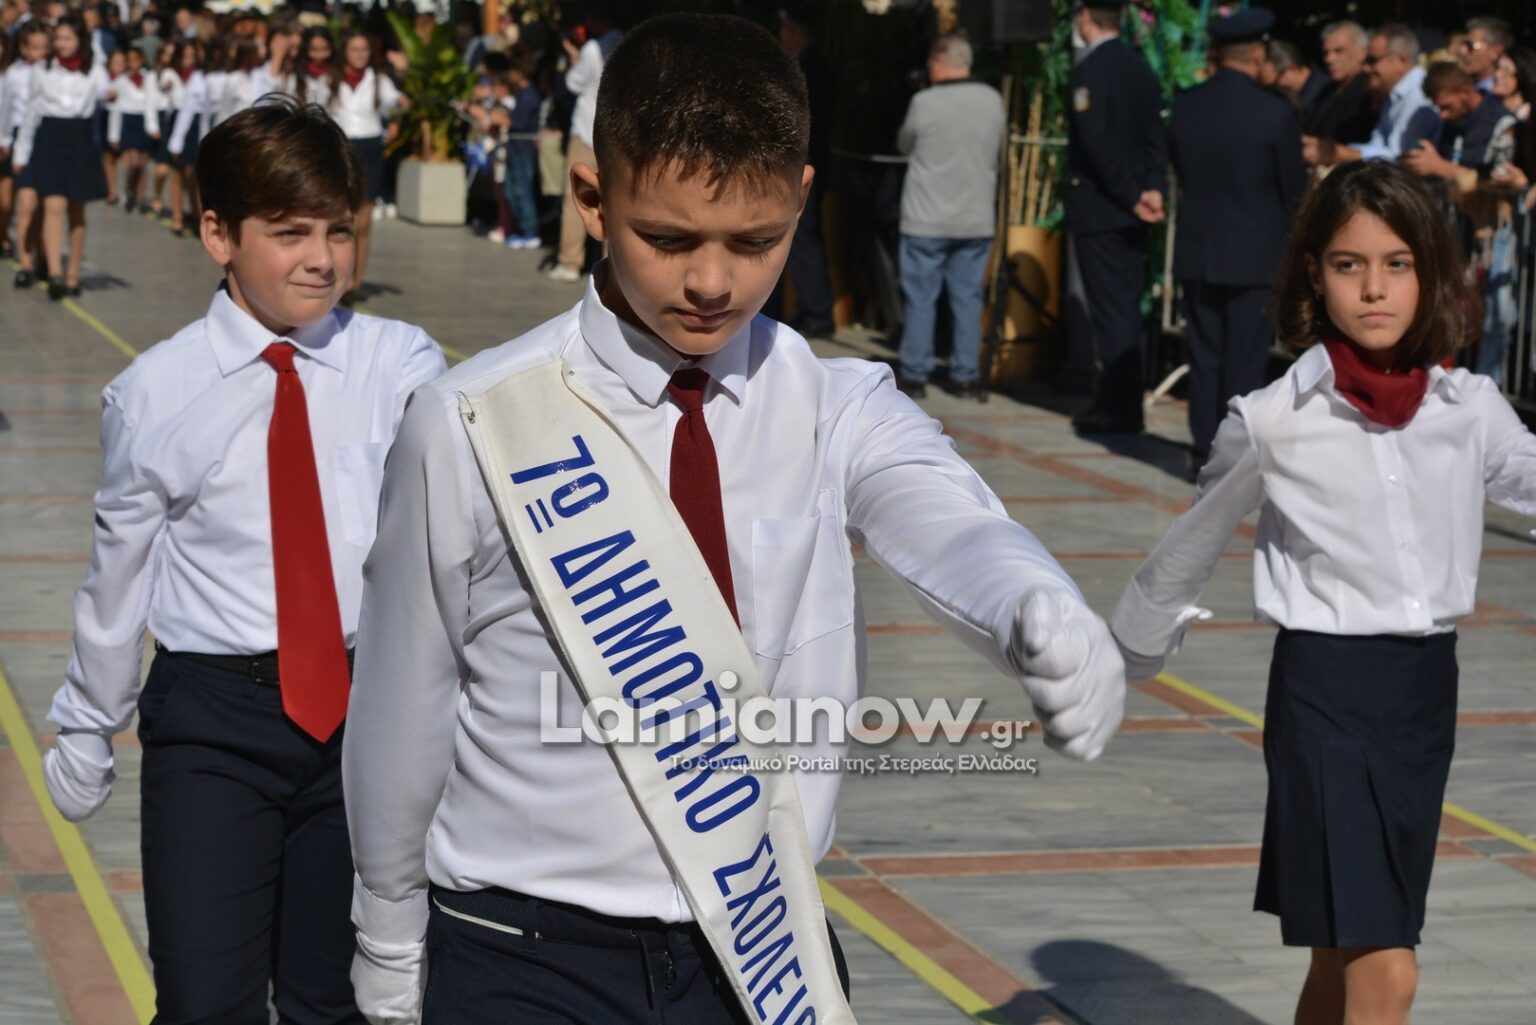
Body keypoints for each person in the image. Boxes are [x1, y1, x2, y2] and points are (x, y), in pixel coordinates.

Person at [345, 13, 1125, 1024]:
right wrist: (387, 938)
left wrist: (1033, 600)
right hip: (524, 947)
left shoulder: (834, 405)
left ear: (801, 197)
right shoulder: (473, 421)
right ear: (592, 197)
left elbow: (945, 514)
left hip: (759, 942)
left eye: (756, 242)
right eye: (668, 239)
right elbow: (404, 700)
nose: (712, 282)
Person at [38, 96, 445, 1025]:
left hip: (362, 720)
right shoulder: (155, 391)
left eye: (339, 229)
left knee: (334, 1000)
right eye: (290, 232)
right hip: (214, 724)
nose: (323, 257)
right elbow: (119, 581)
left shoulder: (397, 364)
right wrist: (89, 723)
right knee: (203, 999)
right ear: (218, 233)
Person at [1111, 159, 1536, 1025]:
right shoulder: (1273, 417)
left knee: (1343, 954)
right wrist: (1121, 653)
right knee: (1389, 967)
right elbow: (1194, 538)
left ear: (1429, 270)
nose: (1374, 289)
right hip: (1325, 697)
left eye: (1397, 264)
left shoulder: (1470, 407)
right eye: (1349, 265)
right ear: (1315, 272)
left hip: (1425, 699)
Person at [1169, 7, 1305, 471]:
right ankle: (1236, 453)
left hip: (1199, 248)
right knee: (1244, 361)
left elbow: (1182, 170)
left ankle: (1202, 449)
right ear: (1258, 54)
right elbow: (1293, 191)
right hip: (1256, 253)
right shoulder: (1276, 112)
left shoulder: (1187, 104)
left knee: (1204, 356)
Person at [1063, 0, 1168, 434]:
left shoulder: (1089, 71)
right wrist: (1152, 189)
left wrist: (1130, 195)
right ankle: (1121, 402)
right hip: (1132, 208)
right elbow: (1156, 135)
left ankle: (1119, 408)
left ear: (1086, 16)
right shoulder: (1141, 69)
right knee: (1124, 306)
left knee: (1111, 312)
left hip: (1104, 208)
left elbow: (1097, 144)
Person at [893, 31, 1004, 399]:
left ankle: (915, 374)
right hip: (975, 217)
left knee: (921, 297)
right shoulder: (993, 100)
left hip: (926, 217)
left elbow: (904, 144)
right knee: (969, 297)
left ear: (939, 63)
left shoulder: (924, 102)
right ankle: (965, 375)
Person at [13, 14, 111, 301]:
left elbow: (106, 90)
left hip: (79, 138)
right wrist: (22, 152)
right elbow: (32, 112)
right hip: (50, 137)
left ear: (80, 40)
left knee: (76, 211)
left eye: (68, 38)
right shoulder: (43, 68)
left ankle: (72, 274)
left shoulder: (94, 69)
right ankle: (55, 273)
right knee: (52, 204)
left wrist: (111, 92)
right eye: (58, 38)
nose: (61, 44)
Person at [766, 0, 835, 340]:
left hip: (799, 166)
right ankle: (799, 309)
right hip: (801, 164)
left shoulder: (809, 69)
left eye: (785, 28)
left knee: (801, 240)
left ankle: (816, 311)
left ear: (795, 31)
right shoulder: (809, 65)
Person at [328, 27, 402, 303]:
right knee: (340, 217)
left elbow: (397, 104)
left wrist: (396, 117)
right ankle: (338, 275)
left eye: (364, 50)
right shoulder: (330, 80)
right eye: (354, 49)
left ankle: (355, 281)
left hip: (370, 147)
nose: (360, 55)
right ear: (345, 52)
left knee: (363, 221)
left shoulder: (379, 80)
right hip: (341, 146)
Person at [550, 0, 620, 283]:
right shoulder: (628, 44)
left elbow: (573, 83)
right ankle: (614, 268)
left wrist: (574, 59)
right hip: (616, 136)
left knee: (576, 199)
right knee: (615, 203)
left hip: (586, 130)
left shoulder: (592, 49)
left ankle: (569, 261)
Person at [1313, 24, 1440, 166]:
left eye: (1373, 60)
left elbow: (1399, 156)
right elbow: (1377, 143)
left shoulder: (1419, 95)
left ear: (1401, 61)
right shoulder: (1393, 94)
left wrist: (1341, 154)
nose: (1366, 68)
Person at [1, 21, 49, 282]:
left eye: (44, 47)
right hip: (21, 136)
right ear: (23, 48)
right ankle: (25, 260)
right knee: (26, 202)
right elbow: (7, 109)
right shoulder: (14, 74)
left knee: (44, 203)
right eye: (35, 47)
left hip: (47, 137)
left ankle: (43, 254)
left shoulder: (52, 71)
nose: (40, 52)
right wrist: (5, 139)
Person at [1304, 21, 1376, 153]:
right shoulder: (1326, 91)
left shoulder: (1370, 91)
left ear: (1362, 52)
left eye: (1339, 51)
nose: (1329, 59)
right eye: (1326, 53)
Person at [107, 44, 160, 213]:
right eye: (130, 60)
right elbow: (116, 109)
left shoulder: (149, 78)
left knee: (143, 163)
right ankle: (128, 189)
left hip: (143, 120)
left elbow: (151, 102)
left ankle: (140, 197)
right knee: (133, 161)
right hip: (128, 120)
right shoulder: (121, 80)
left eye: (136, 59)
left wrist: (153, 126)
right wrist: (114, 135)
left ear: (142, 60)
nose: (133, 63)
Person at [503, 53, 542, 248]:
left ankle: (530, 231)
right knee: (512, 190)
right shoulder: (522, 93)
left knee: (522, 191)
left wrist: (502, 119)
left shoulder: (529, 95)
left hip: (523, 150)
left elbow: (520, 123)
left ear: (520, 72)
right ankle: (522, 230)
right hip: (515, 148)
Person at [1267, 38, 1328, 115]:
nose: (1277, 87)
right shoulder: (1313, 93)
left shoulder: (1323, 96)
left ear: (1292, 68)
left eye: (1276, 80)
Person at [1459, 16, 1511, 94]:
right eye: (1463, 44)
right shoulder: (1465, 89)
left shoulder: (1498, 95)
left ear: (1495, 52)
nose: (1462, 51)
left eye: (1471, 46)